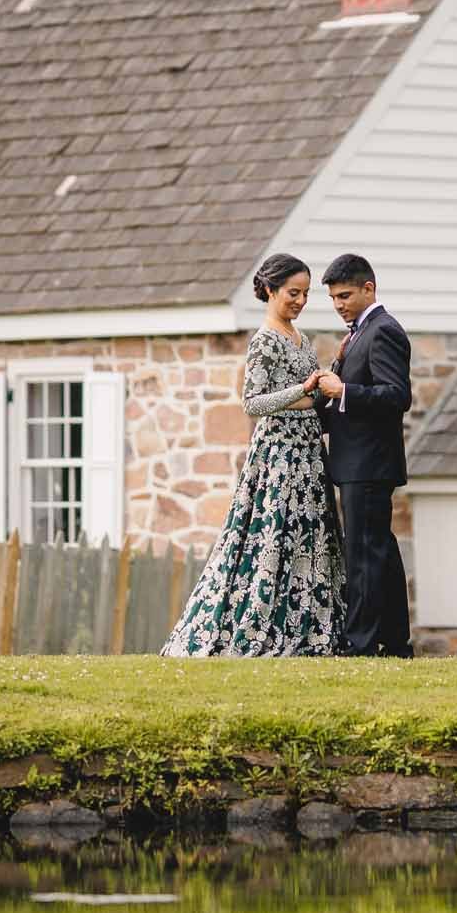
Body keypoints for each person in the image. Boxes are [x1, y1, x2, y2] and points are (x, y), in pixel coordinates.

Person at [161, 254, 346, 657]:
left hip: (308, 453)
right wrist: (304, 392)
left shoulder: (301, 337)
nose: (299, 301)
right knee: (272, 536)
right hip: (278, 456)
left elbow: (310, 395)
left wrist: (320, 385)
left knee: (308, 536)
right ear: (270, 291)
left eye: (304, 294)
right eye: (292, 293)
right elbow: (253, 402)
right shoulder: (265, 339)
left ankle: (311, 625)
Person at [309, 254, 414, 659]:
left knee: (364, 555)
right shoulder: (358, 333)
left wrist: (343, 392)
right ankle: (395, 641)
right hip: (358, 463)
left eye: (345, 295)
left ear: (369, 288)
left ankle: (361, 643)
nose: (339, 304)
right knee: (380, 552)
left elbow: (396, 396)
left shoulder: (384, 330)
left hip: (369, 463)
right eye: (334, 298)